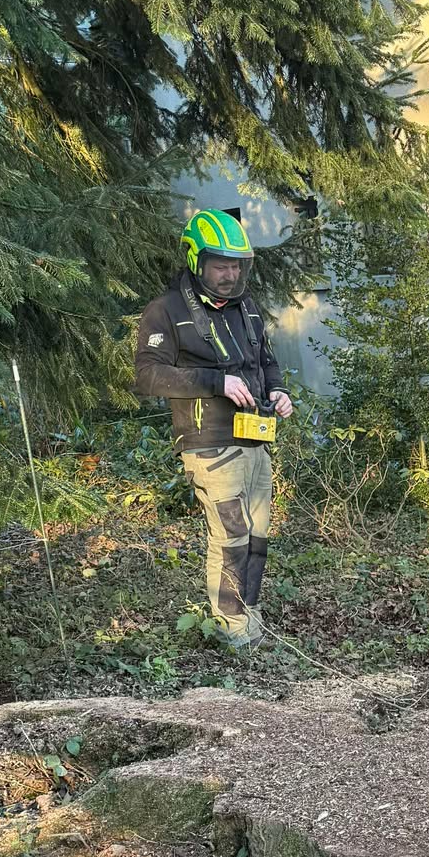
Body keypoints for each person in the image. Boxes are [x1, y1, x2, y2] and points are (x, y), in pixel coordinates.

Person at [134, 210, 294, 651]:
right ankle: (231, 628)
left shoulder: (248, 308)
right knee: (231, 535)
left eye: (236, 265)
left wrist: (279, 391)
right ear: (195, 261)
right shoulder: (166, 311)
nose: (230, 274)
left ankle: (251, 616)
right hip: (210, 444)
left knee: (258, 533)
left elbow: (267, 362)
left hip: (257, 438)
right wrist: (214, 382)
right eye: (220, 265)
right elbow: (147, 376)